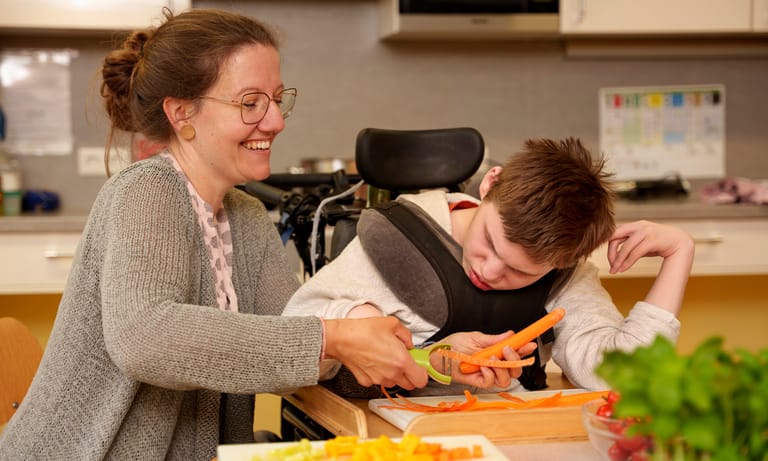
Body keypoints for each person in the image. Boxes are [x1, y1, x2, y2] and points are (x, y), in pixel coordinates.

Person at [0, 8, 525, 460]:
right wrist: (333, 336)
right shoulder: (146, 190)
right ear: (181, 113)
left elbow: (299, 352)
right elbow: (146, 337)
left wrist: (432, 359)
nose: (275, 121)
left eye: (276, 99)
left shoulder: (246, 217)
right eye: (250, 102)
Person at [284, 137, 695, 395]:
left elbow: (625, 376)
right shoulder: (397, 241)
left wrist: (679, 255)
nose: (492, 271)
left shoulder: (564, 273)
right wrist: (355, 318)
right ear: (490, 184)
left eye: (521, 273)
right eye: (490, 244)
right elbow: (293, 334)